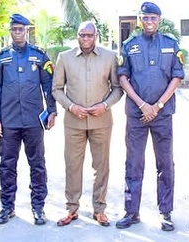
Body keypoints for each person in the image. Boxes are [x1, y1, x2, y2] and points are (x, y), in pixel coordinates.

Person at [115, 2, 184, 232]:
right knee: (134, 163)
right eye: (146, 18)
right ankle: (131, 211)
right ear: (140, 19)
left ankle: (166, 213)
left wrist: (158, 104)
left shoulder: (171, 44)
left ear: (159, 19)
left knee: (165, 164)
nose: (150, 22)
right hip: (137, 115)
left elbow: (177, 77)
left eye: (153, 18)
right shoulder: (130, 45)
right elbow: (123, 78)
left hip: (163, 115)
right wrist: (143, 105)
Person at [52, 21, 123, 228]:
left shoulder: (109, 57)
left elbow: (118, 88)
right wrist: (71, 106)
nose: (85, 39)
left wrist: (105, 105)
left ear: (96, 36)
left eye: (89, 35)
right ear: (77, 36)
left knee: (101, 166)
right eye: (82, 35)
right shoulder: (64, 58)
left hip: (102, 121)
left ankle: (99, 209)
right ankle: (71, 208)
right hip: (74, 122)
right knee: (72, 166)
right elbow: (56, 89)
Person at [0, 13, 57, 226]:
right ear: (10, 32)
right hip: (8, 122)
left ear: (27, 31)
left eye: (21, 29)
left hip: (33, 121)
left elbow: (49, 85)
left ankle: (38, 207)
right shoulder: (1, 58)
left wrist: (52, 110)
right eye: (14, 29)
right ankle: (7, 207)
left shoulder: (39, 56)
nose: (18, 33)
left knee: (37, 165)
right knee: (7, 165)